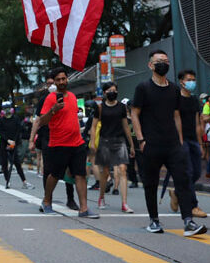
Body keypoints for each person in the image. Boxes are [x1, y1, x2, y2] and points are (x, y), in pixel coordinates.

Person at [130, 50, 206, 237]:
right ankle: (154, 220)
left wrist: (180, 141)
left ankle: (188, 221)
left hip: (173, 145)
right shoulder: (143, 88)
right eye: (158, 61)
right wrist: (141, 140)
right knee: (151, 183)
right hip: (151, 144)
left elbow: (176, 115)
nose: (163, 63)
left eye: (165, 60)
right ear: (150, 65)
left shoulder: (174, 89)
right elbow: (134, 114)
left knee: (184, 180)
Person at [31, 68, 97, 218]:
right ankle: (47, 201)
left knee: (80, 175)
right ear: (54, 82)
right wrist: (53, 110)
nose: (61, 82)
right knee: (54, 175)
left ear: (67, 80)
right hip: (59, 144)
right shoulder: (50, 99)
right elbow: (42, 121)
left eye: (63, 79)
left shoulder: (73, 97)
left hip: (77, 143)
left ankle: (84, 209)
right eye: (58, 80)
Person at [29, 71, 78, 209]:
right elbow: (38, 120)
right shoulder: (45, 99)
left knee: (70, 168)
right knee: (49, 170)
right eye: (51, 83)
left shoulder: (69, 96)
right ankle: (47, 200)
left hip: (66, 138)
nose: (55, 85)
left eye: (61, 79)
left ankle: (71, 199)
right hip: (48, 138)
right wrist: (32, 140)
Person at [91, 82, 135, 213]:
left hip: (120, 141)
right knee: (105, 172)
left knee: (122, 169)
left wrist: (131, 144)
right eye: (109, 90)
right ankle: (101, 197)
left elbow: (126, 126)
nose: (112, 92)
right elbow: (93, 126)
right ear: (104, 93)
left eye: (114, 90)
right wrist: (93, 143)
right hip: (104, 141)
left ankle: (124, 203)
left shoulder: (122, 107)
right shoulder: (100, 108)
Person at [176, 70, 207, 218]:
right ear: (181, 81)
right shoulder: (176, 99)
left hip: (194, 140)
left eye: (194, 79)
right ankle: (193, 205)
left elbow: (197, 123)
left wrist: (200, 144)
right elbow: (176, 121)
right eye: (189, 79)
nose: (192, 82)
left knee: (196, 173)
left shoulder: (194, 100)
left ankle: (176, 192)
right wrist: (180, 141)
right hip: (181, 141)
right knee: (187, 173)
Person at [0, 101, 31, 189]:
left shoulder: (16, 119)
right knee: (4, 163)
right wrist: (8, 140)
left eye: (8, 108)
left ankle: (24, 181)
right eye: (5, 108)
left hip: (14, 143)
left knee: (17, 162)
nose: (7, 110)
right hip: (4, 143)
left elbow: (18, 131)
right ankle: (7, 181)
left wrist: (14, 141)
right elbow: (1, 132)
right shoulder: (1, 121)